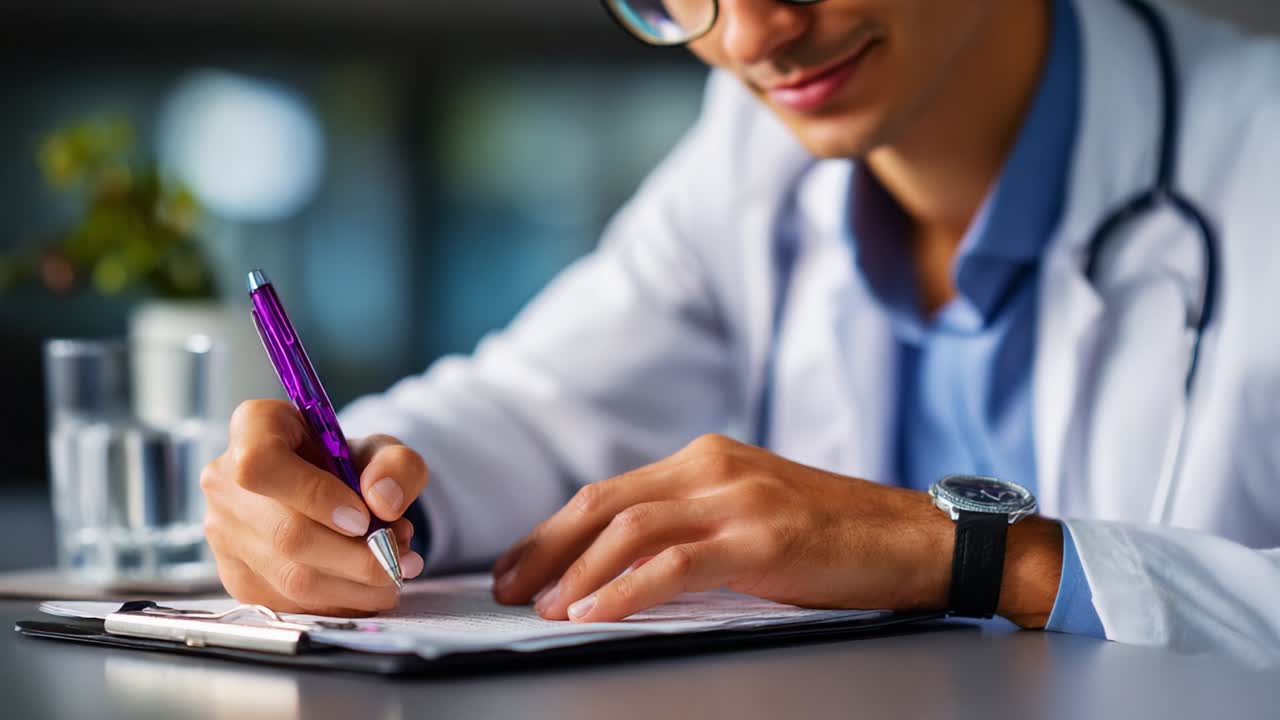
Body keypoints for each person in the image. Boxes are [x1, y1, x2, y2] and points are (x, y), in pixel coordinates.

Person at [199, 0, 1280, 666]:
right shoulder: (754, 149)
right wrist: (346, 497)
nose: (753, 36)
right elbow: (536, 400)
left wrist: (977, 559)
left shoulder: (1257, 146)